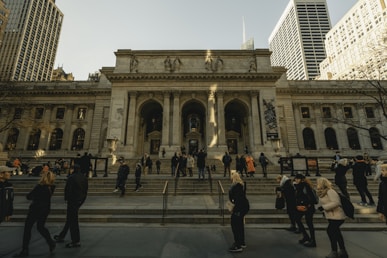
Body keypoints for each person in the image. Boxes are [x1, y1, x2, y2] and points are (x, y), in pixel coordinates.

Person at [14, 172, 56, 257]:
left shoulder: (39, 187)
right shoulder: (51, 187)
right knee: (40, 226)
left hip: (35, 209)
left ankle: (25, 250)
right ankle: (50, 242)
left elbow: (29, 196)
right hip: (45, 209)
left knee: (27, 228)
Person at [54, 164, 88, 248]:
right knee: (70, 219)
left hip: (72, 201)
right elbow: (85, 190)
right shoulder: (84, 177)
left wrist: (66, 198)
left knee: (73, 221)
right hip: (79, 200)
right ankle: (62, 236)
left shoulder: (71, 177)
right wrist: (82, 201)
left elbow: (68, 190)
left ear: (73, 169)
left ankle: (76, 241)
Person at [316, 177, 348, 258]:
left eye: (318, 183)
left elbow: (336, 202)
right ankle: (342, 251)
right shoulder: (322, 192)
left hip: (337, 216)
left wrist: (324, 207)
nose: (317, 185)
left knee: (330, 231)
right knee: (336, 233)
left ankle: (334, 252)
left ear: (322, 184)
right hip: (331, 216)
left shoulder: (330, 191)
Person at [228, 172, 250, 253]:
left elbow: (238, 199)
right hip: (243, 207)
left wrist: (234, 208)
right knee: (240, 224)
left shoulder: (236, 186)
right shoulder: (241, 185)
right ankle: (241, 242)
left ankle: (237, 245)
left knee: (235, 224)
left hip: (239, 208)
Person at [294, 173, 317, 247]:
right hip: (302, 207)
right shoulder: (299, 186)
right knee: (297, 219)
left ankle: (313, 240)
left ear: (301, 179)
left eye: (297, 179)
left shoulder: (305, 186)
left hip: (308, 207)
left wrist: (305, 204)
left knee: (309, 223)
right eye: (295, 179)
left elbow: (311, 198)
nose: (296, 180)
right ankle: (306, 236)